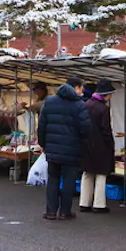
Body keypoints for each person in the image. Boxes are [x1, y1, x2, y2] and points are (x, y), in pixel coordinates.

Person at [38, 76, 91, 220]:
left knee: (53, 179)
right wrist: (81, 141)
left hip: (52, 149)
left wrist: (43, 144)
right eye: (81, 88)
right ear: (76, 88)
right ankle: (64, 211)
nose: (82, 91)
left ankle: (50, 211)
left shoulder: (49, 102)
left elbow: (41, 126)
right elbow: (86, 128)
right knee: (68, 180)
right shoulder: (79, 105)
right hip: (72, 150)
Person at [81, 79, 117, 213]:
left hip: (86, 144)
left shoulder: (86, 105)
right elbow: (106, 130)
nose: (111, 97)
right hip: (101, 146)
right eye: (110, 95)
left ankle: (84, 202)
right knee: (101, 175)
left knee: (87, 173)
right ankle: (99, 204)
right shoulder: (103, 109)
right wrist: (110, 145)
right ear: (105, 94)